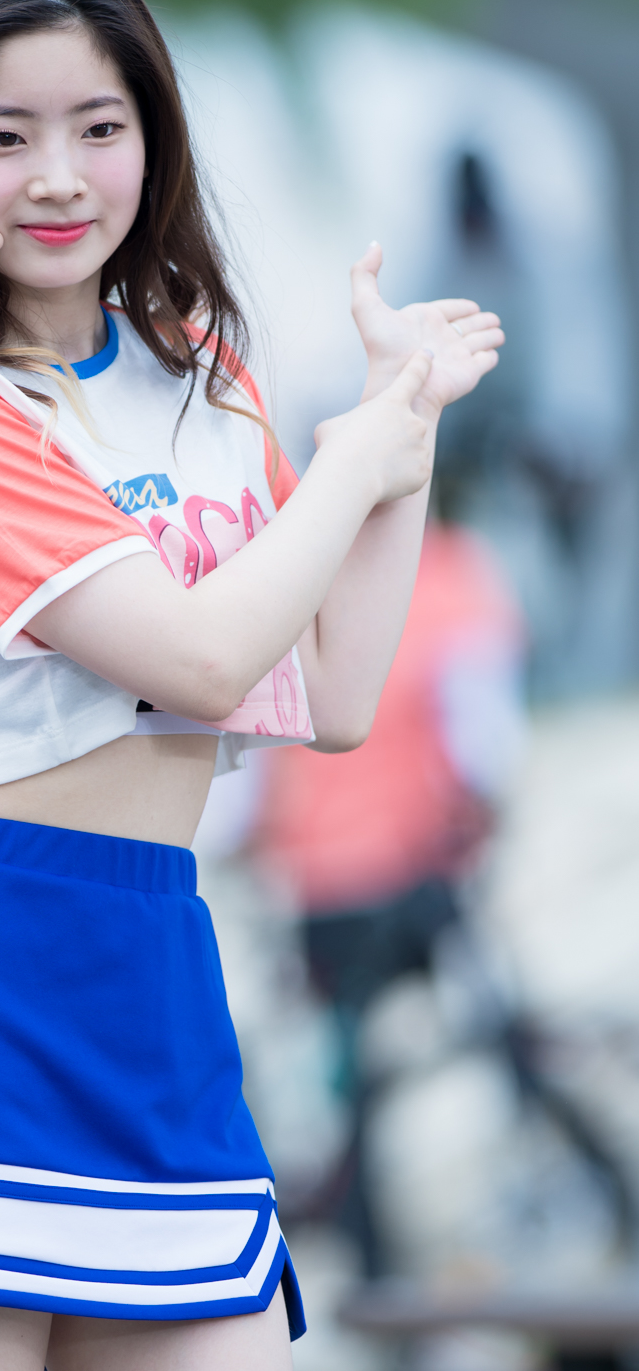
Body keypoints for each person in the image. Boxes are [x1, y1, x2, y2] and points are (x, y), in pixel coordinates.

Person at [0, 0, 503, 1370]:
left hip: (155, 979)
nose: (58, 177)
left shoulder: (196, 367)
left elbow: (331, 695)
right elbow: (197, 662)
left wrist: (406, 428)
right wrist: (351, 460)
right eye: (2, 137)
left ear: (153, 137)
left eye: (98, 126)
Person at [254, 519, 525, 1272]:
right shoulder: (451, 574)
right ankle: (574, 1193)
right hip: (415, 877)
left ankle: (371, 1263)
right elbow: (484, 743)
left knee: (352, 1085)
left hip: (321, 889)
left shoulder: (292, 572)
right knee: (500, 1041)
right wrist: (480, 823)